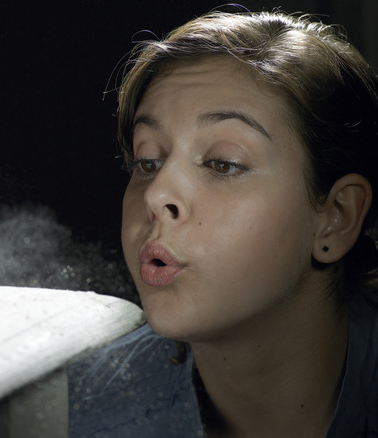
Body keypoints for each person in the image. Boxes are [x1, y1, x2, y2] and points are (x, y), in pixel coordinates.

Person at [68, 9, 378, 437]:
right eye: (147, 161)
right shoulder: (77, 410)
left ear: (337, 218)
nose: (156, 195)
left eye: (223, 163)